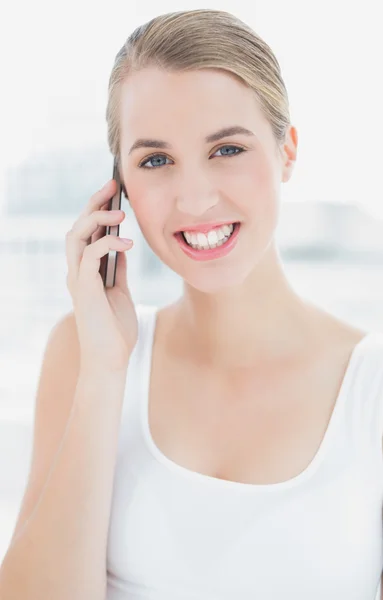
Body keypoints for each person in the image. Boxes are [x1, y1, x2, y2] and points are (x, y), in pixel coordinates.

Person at [1, 8, 383, 600]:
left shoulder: (370, 387)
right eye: (155, 161)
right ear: (118, 187)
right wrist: (104, 373)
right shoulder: (84, 353)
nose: (197, 198)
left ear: (287, 152)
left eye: (227, 149)